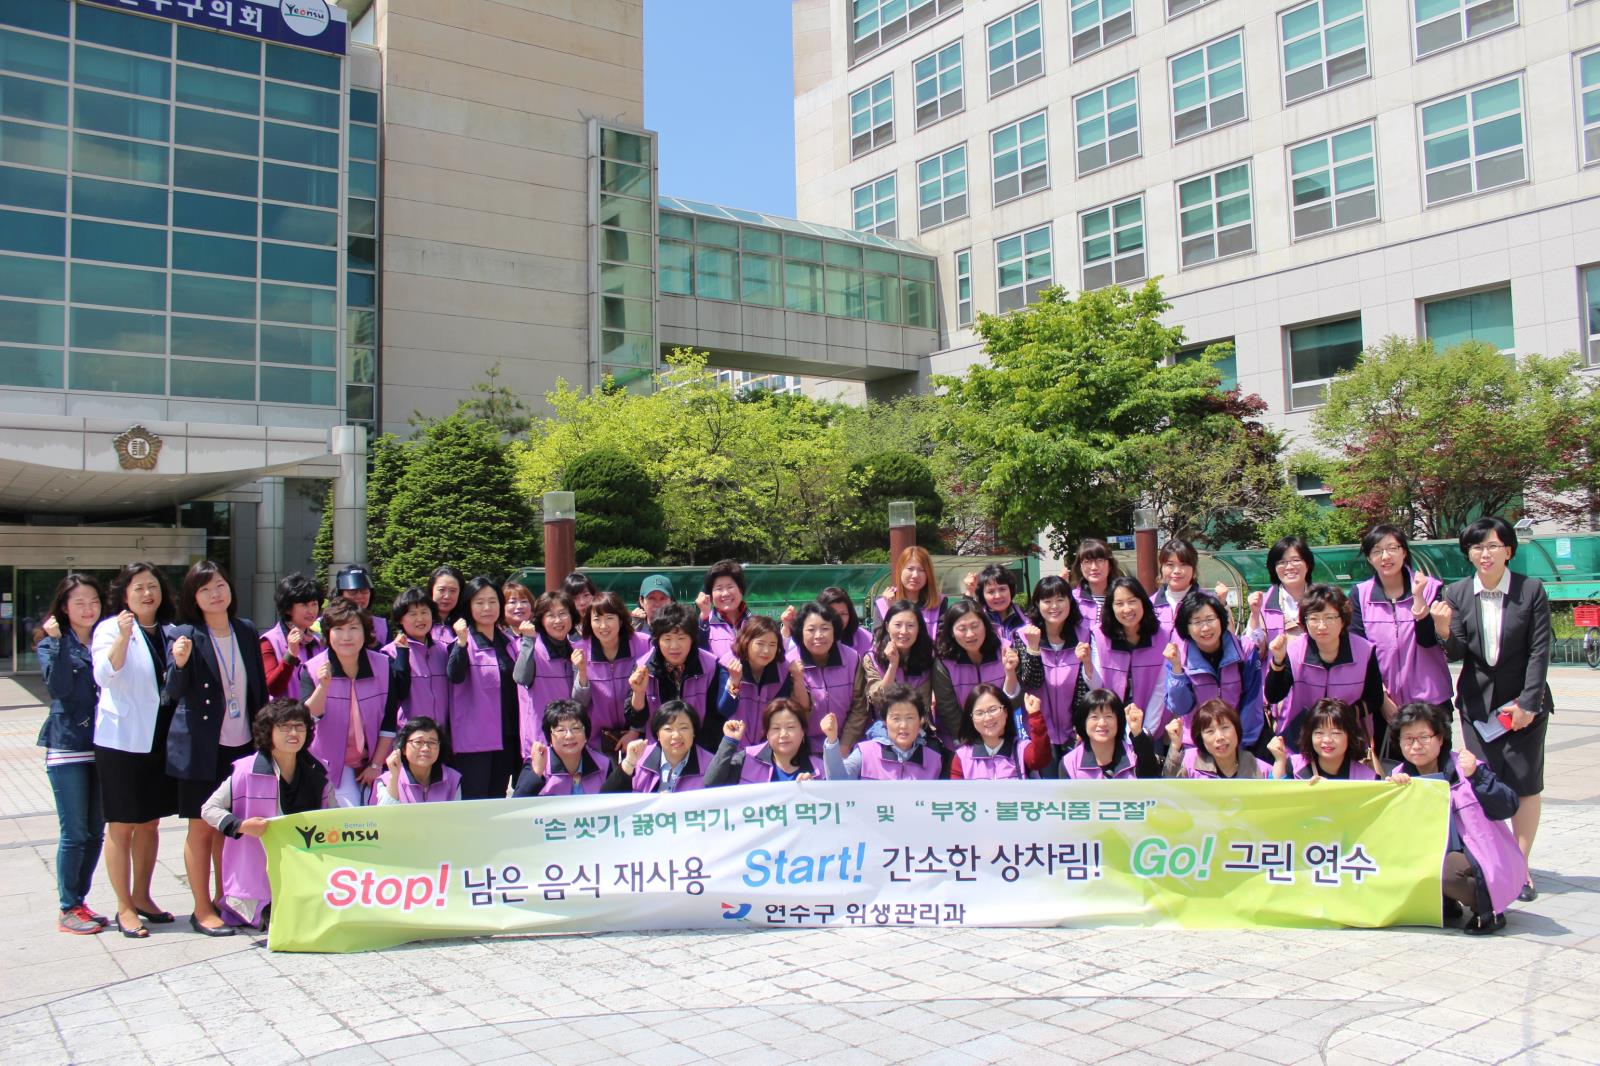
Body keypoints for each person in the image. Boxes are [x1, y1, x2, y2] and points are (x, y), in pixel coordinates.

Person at [1433, 515, 1553, 903]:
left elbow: (1539, 650)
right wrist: (1445, 630)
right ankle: (1491, 861)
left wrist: (1529, 703)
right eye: (1477, 546)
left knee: (1525, 782)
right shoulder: (1457, 594)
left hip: (1523, 705)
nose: (1485, 553)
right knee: (1480, 781)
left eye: (1493, 545)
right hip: (1478, 707)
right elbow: (1457, 654)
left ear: (1509, 550)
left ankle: (1521, 866)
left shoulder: (1530, 590)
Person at [163, 561, 268, 936]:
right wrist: (178, 663)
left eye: (220, 585)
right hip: (200, 747)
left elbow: (258, 689)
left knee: (231, 829)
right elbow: (171, 694)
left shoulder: (245, 630)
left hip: (241, 744)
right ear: (194, 597)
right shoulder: (186, 634)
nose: (215, 594)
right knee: (201, 828)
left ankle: (230, 899)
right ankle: (201, 908)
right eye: (205, 589)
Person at [90, 564, 179, 939]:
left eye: (153, 586)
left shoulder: (171, 632)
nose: (147, 594)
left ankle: (143, 896)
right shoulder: (111, 628)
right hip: (122, 740)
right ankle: (124, 905)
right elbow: (103, 675)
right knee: (122, 824)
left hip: (160, 738)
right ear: (124, 594)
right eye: (139, 588)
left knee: (150, 822)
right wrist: (123, 637)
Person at [1388, 702, 1525, 934]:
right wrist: (1395, 794)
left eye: (1424, 737)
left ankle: (1488, 908)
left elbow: (1508, 806)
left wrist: (1478, 776)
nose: (1416, 746)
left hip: (1477, 853)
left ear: (1440, 738)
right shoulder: (1399, 775)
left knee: (1442, 870)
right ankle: (1445, 902)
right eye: (1408, 739)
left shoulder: (1466, 768)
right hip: (1436, 847)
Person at [201, 699, 333, 931]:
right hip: (256, 881)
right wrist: (241, 825)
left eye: (300, 726)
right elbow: (209, 809)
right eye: (284, 727)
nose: (293, 733)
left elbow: (334, 816)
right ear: (268, 731)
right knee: (281, 922)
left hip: (304, 870)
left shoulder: (317, 771)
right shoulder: (246, 771)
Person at [38, 574, 108, 935]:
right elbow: (60, 687)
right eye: (79, 602)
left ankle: (80, 901)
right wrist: (56, 642)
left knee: (96, 831)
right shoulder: (53, 643)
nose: (88, 608)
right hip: (67, 746)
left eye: (93, 601)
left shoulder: (106, 639)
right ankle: (68, 905)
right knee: (75, 831)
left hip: (103, 744)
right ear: (64, 607)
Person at [1264, 584, 1384, 752]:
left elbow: (1375, 698)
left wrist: (1344, 716)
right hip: (1303, 737)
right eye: (1313, 618)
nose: (1321, 626)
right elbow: (1274, 695)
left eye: (1329, 617)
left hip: (1346, 737)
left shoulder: (1364, 650)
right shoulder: (1295, 651)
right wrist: (1278, 661)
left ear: (1343, 619)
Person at [304, 599, 401, 806]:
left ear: (365, 632)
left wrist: (376, 765)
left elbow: (389, 722)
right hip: (330, 765)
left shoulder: (383, 665)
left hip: (376, 759)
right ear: (328, 634)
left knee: (386, 809)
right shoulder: (312, 669)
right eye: (338, 629)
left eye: (354, 628)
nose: (346, 637)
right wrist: (323, 686)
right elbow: (308, 720)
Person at [1350, 525, 1452, 709]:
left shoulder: (1430, 588)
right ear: (1368, 558)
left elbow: (1429, 640)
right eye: (1377, 551)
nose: (1385, 556)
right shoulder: (1360, 594)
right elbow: (1358, 650)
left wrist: (1418, 598)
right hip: (1383, 703)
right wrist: (1380, 697)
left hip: (1431, 700)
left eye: (1392, 548)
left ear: (1404, 552)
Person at [1161, 590, 1267, 756]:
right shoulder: (1178, 656)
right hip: (1197, 747)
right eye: (1196, 622)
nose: (1205, 628)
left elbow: (1252, 702)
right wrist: (1176, 670)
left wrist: (1242, 744)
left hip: (1238, 745)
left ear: (1220, 620)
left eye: (1210, 619)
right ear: (1186, 628)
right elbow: (1181, 707)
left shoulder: (1244, 650)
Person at [445, 576, 520, 800]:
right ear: (468, 606)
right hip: (475, 739)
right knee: (475, 798)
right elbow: (454, 676)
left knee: (497, 796)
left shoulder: (509, 642)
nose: (487, 608)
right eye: (479, 602)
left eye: (493, 601)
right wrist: (460, 642)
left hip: (507, 734)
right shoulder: (463, 642)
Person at [626, 604, 726, 751]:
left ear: (692, 639)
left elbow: (715, 718)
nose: (674, 646)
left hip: (700, 750)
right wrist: (639, 693)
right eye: (667, 639)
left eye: (681, 638)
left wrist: (698, 752)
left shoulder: (710, 665)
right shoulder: (643, 668)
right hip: (657, 750)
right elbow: (636, 720)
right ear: (657, 640)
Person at [842, 600, 935, 752]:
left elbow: (922, 705)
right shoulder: (871, 657)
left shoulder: (926, 659)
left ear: (919, 628)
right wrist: (892, 666)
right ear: (887, 626)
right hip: (881, 730)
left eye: (911, 625)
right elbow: (877, 699)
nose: (904, 631)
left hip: (915, 730)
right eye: (897, 625)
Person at [1085, 577, 1172, 732]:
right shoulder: (1099, 636)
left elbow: (1161, 688)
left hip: (1151, 723)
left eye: (1132, 601)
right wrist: (1087, 664)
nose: (1127, 609)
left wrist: (1144, 732)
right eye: (1119, 604)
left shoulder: (1162, 636)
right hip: (1110, 726)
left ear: (1143, 602)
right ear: (1110, 607)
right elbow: (1097, 686)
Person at [932, 597, 1021, 747]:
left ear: (985, 625)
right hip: (962, 740)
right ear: (952, 632)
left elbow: (1015, 703)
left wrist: (1011, 673)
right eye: (962, 629)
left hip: (1004, 737)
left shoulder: (1006, 651)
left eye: (975, 626)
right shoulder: (944, 662)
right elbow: (948, 709)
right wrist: (971, 743)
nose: (970, 634)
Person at [576, 591, 650, 758]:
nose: (603, 626)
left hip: (639, 740)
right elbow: (579, 703)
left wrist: (635, 731)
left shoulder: (643, 644)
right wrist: (581, 672)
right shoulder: (579, 650)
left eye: (609, 618)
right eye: (597, 619)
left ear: (621, 620)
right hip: (596, 743)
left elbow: (651, 692)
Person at [821, 685, 947, 780]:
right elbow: (837, 780)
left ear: (921, 720)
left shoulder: (934, 759)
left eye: (910, 718)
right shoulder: (866, 752)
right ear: (885, 721)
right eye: (896, 718)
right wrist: (832, 741)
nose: (903, 725)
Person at [511, 590, 581, 759]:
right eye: (550, 615)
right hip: (539, 741)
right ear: (541, 620)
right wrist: (528, 641)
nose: (558, 621)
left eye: (563, 614)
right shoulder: (530, 646)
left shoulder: (575, 650)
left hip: (571, 739)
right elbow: (521, 678)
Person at [787, 602, 861, 750]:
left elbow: (860, 707)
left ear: (835, 631)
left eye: (825, 628)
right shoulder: (790, 663)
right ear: (801, 633)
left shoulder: (852, 658)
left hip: (847, 745)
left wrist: (845, 745)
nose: (818, 635)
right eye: (811, 630)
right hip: (803, 748)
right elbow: (794, 712)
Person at [705, 698, 824, 785]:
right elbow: (712, 783)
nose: (783, 734)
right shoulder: (747, 759)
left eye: (791, 727)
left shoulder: (820, 769)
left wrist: (814, 793)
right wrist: (729, 741)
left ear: (803, 731)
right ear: (767, 734)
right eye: (776, 728)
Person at [717, 615, 799, 741]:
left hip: (767, 746)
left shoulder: (782, 670)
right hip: (734, 743)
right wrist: (734, 682)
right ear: (746, 642)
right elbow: (725, 709)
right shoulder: (729, 664)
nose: (766, 651)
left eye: (772, 644)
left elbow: (780, 712)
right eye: (760, 643)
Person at [602, 700, 713, 793]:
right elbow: (608, 800)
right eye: (668, 729)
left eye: (683, 728)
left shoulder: (711, 764)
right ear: (657, 734)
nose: (676, 735)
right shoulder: (639, 758)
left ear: (694, 731)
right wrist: (628, 763)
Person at [382, 587, 450, 733]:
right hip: (409, 737)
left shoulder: (443, 650)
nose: (420, 619)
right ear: (401, 619)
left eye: (424, 612)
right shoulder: (389, 653)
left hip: (441, 736)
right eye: (413, 614)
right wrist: (402, 653)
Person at [1163, 700, 1287, 780]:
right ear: (1200, 738)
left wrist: (1280, 762)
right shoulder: (1188, 762)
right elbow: (1168, 791)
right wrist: (1175, 745)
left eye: (1225, 727)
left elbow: (1279, 802)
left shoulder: (1261, 769)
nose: (1220, 737)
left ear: (1237, 730)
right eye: (1210, 731)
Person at [949, 685, 1051, 779]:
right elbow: (957, 794)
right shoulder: (962, 758)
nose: (988, 718)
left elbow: (1040, 760)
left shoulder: (1021, 749)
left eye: (993, 709)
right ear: (971, 719)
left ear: (1005, 712)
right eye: (979, 713)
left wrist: (1035, 716)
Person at [1059, 688, 1161, 780]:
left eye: (1108, 716)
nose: (1102, 723)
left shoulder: (1135, 755)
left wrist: (1137, 733)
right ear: (1083, 722)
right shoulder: (1070, 763)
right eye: (1094, 717)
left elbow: (1151, 780)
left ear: (1119, 720)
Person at [513, 701, 610, 796]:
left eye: (576, 728)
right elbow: (516, 806)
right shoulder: (535, 763)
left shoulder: (603, 764)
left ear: (586, 734)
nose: (569, 736)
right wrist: (537, 772)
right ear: (549, 736)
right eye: (560, 730)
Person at [260, 572, 321, 701]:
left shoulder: (318, 640)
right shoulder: (269, 641)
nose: (311, 611)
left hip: (316, 718)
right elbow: (272, 688)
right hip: (285, 718)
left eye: (314, 604)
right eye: (304, 605)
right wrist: (291, 654)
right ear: (288, 608)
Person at [375, 716, 461, 804]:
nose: (425, 748)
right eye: (418, 742)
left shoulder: (452, 779)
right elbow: (386, 816)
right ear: (404, 748)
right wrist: (393, 777)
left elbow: (457, 815)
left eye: (432, 742)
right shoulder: (386, 780)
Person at [1289, 698, 1379, 781]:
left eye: (1335, 733)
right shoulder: (1293, 768)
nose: (1327, 740)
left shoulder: (1368, 779)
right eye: (1319, 733)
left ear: (1350, 736)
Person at [874, 545, 945, 638]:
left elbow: (943, 641)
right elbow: (880, 642)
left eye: (921, 570)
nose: (915, 575)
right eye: (910, 569)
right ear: (900, 570)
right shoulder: (883, 603)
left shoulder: (939, 602)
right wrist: (891, 610)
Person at [696, 559, 751, 667]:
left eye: (730, 587)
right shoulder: (704, 625)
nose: (725, 593)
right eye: (719, 589)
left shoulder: (757, 624)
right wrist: (704, 617)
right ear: (710, 595)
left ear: (740, 590)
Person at [1065, 537, 1123, 631]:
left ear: (1110, 565)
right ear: (1080, 566)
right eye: (1087, 562)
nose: (1094, 567)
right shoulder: (1072, 599)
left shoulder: (1122, 597)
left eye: (1100, 561)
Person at [967, 564, 1028, 645]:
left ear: (1011, 590)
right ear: (983, 595)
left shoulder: (1026, 619)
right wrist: (969, 593)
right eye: (991, 591)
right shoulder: (978, 620)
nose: (998, 596)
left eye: (1002, 589)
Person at [334, 565, 385, 646]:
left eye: (364, 590)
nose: (359, 596)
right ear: (340, 594)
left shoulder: (382, 625)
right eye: (353, 591)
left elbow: (390, 657)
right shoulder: (325, 623)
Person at [818, 586, 873, 657]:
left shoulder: (866, 639)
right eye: (832, 613)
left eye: (843, 614)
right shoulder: (811, 639)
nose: (838, 619)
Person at [428, 566, 465, 643]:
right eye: (441, 590)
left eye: (453, 591)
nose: (447, 596)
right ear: (431, 590)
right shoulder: (421, 622)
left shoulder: (466, 624)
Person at [561, 572, 601, 638]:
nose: (582, 602)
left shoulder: (604, 624)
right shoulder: (563, 627)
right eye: (574, 598)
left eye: (586, 595)